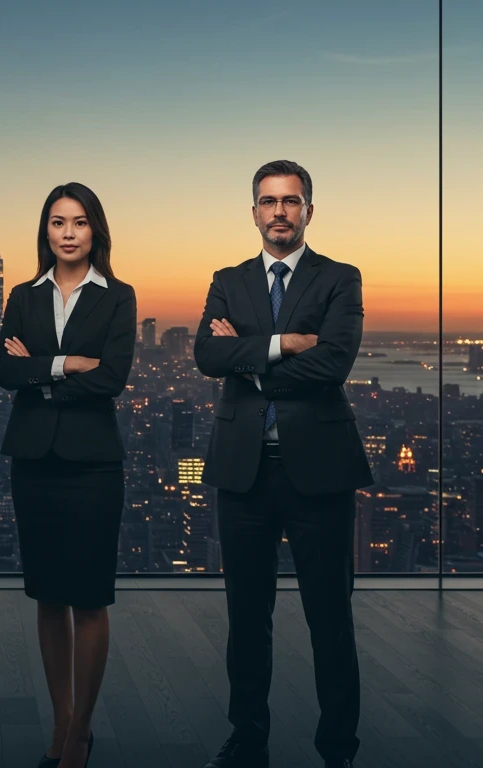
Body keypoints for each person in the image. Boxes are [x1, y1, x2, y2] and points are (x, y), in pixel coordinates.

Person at [194, 160, 373, 768]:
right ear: (253, 212)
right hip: (243, 470)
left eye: (290, 202)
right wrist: (280, 345)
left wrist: (246, 359)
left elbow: (333, 365)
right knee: (247, 617)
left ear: (308, 211)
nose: (279, 212)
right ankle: (248, 736)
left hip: (319, 469)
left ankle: (338, 748)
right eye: (268, 202)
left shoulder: (339, 278)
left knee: (331, 616)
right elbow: (205, 354)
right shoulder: (229, 279)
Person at [0, 182, 137, 768]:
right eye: (58, 222)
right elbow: (3, 367)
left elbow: (113, 377)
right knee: (48, 598)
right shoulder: (24, 295)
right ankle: (60, 725)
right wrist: (65, 363)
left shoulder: (118, 296)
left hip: (93, 464)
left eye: (79, 222)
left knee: (89, 600)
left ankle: (80, 732)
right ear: (46, 231)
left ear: (95, 230)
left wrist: (39, 370)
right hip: (33, 462)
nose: (68, 232)